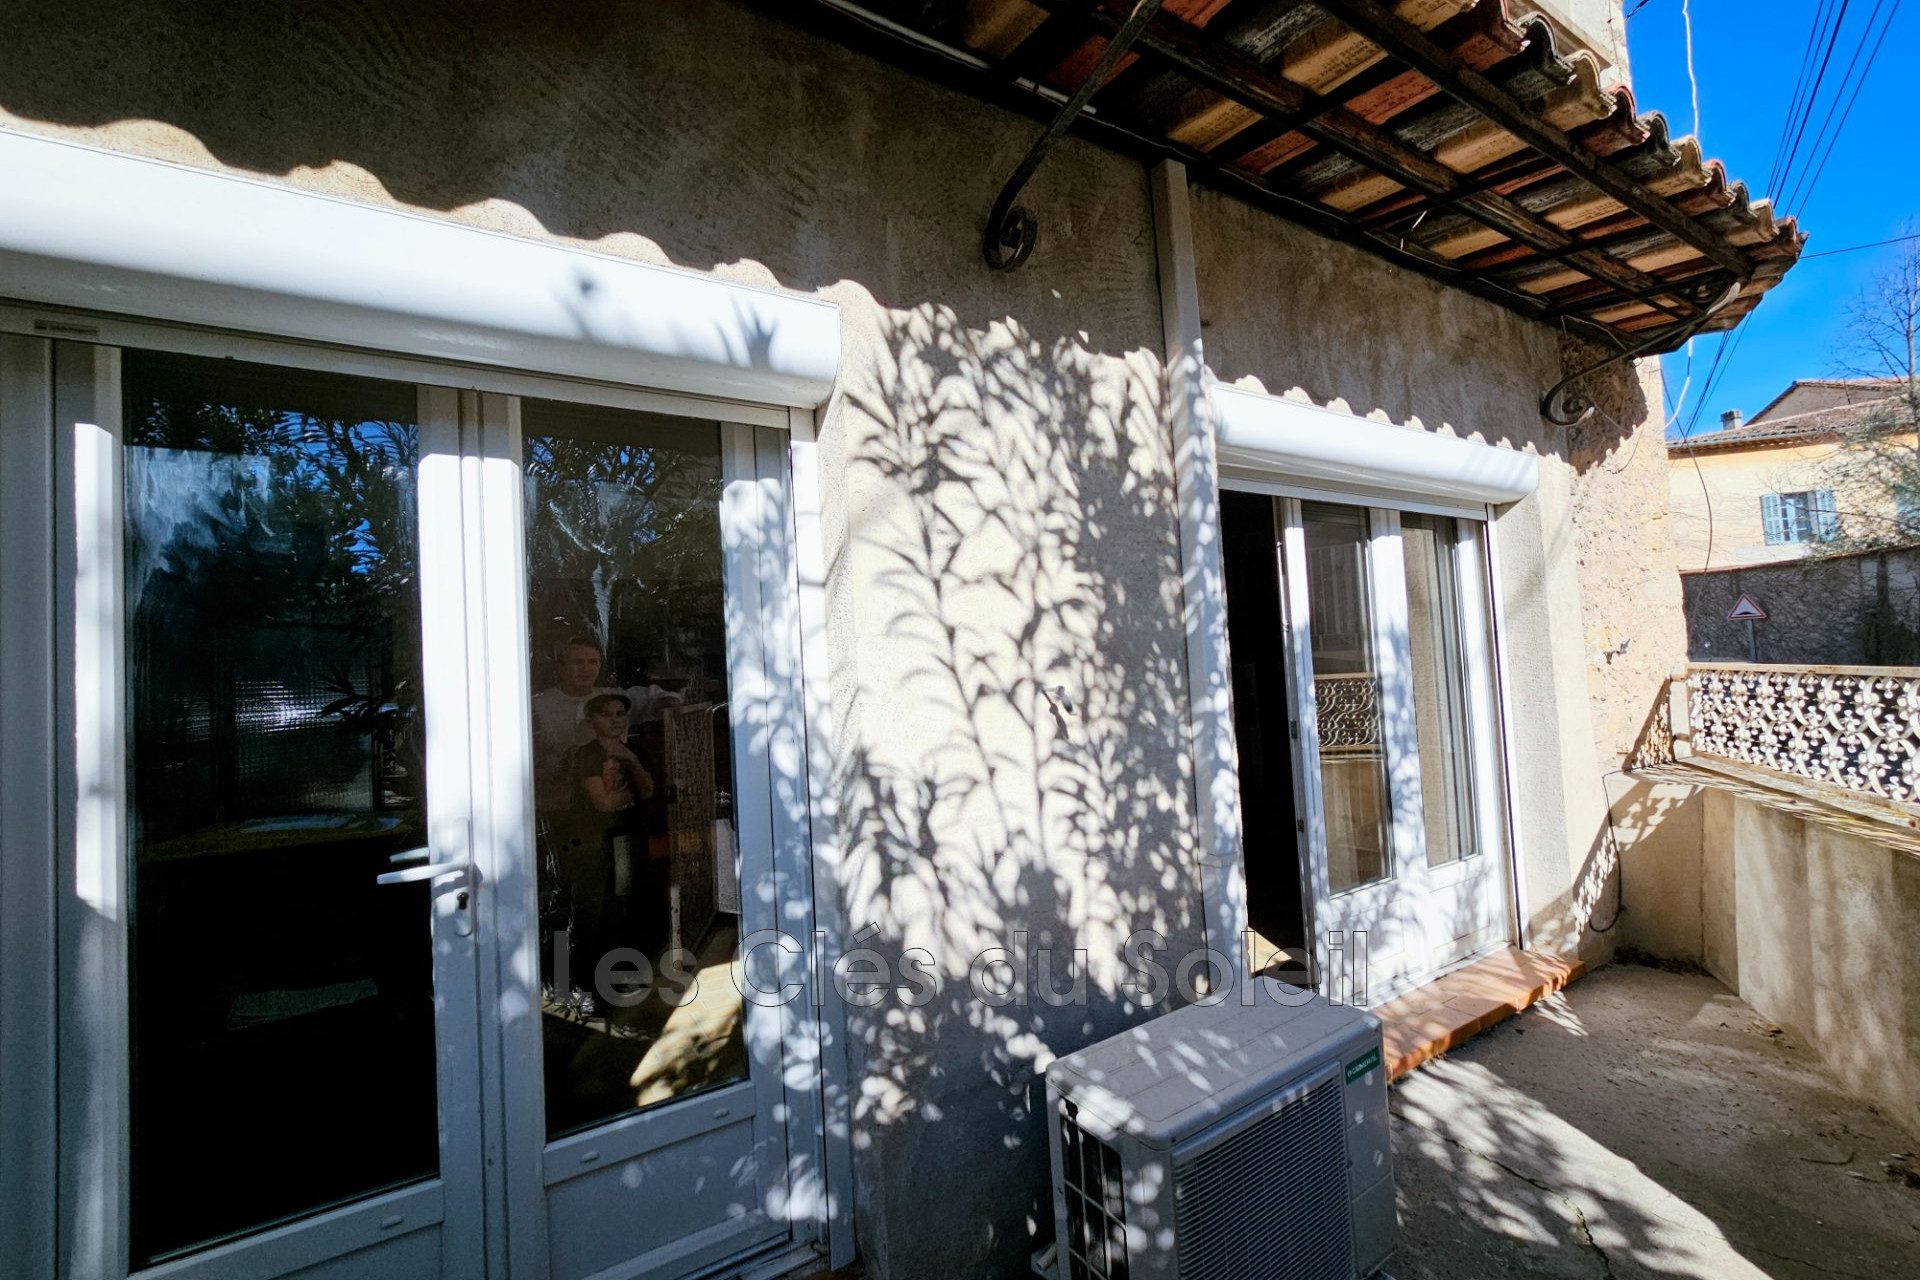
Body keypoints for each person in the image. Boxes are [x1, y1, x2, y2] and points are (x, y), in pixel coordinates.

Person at [532, 635, 619, 814]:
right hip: (557, 808)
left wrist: (667, 699)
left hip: (610, 808)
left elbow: (657, 697)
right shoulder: (538, 706)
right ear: (561, 667)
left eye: (592, 662)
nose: (586, 669)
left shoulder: (616, 699)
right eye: (577, 662)